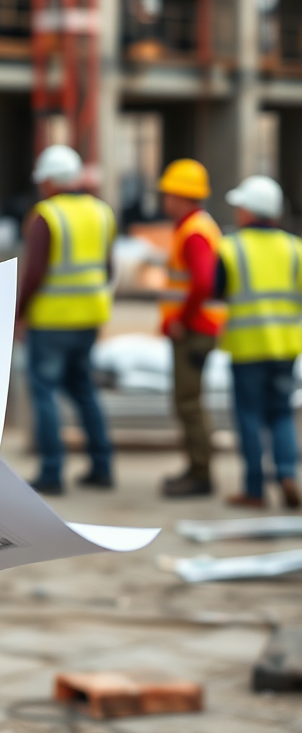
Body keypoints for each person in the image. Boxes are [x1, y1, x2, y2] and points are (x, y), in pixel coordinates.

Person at [18, 144, 117, 495]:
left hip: (51, 320)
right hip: (89, 317)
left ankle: (51, 471)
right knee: (84, 390)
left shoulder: (47, 215)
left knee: (44, 393)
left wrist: (18, 313)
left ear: (49, 181)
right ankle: (102, 466)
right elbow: (107, 268)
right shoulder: (102, 212)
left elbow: (34, 273)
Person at [215, 175, 302, 509]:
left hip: (247, 347)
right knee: (281, 413)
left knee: (249, 417)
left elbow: (216, 289)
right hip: (285, 346)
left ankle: (254, 488)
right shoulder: (295, 248)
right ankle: (287, 474)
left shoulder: (230, 247)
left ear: (251, 211)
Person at [156, 159, 225, 498]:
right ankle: (197, 468)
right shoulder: (195, 226)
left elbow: (202, 282)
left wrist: (182, 319)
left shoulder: (194, 231)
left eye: (169, 193)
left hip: (194, 330)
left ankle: (201, 474)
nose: (164, 200)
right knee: (189, 400)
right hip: (196, 326)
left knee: (188, 402)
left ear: (182, 196)